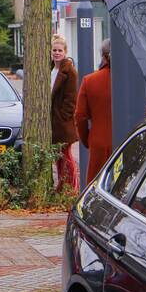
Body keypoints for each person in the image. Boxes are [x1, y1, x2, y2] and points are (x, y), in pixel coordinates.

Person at [75, 39, 113, 187]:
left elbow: (80, 116)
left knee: (97, 186)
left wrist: (87, 139)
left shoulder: (90, 81)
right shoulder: (133, 81)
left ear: (103, 56)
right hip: (128, 142)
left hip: (99, 142)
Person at [51, 34, 80, 193]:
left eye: (59, 50)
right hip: (52, 121)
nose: (56, 53)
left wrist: (63, 116)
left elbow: (71, 99)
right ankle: (62, 185)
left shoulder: (70, 72)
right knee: (58, 155)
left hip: (62, 122)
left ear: (65, 51)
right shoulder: (50, 69)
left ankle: (72, 187)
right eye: (54, 50)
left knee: (65, 154)